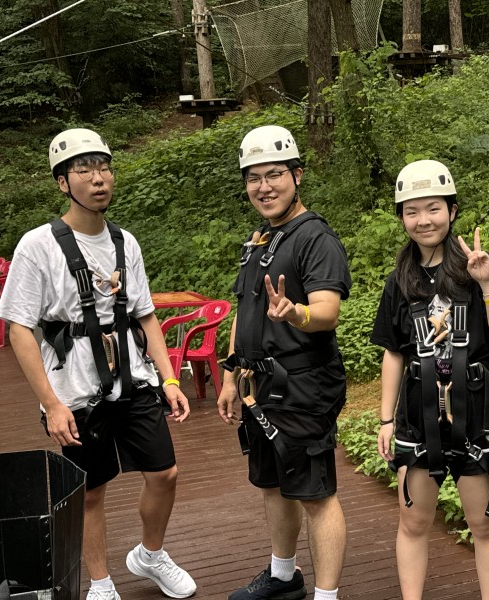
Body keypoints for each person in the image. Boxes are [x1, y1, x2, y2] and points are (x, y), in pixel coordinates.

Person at [0, 128, 197, 599]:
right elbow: (18, 328)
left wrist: (169, 377)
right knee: (91, 490)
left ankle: (149, 555)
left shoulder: (125, 243)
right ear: (63, 182)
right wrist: (50, 404)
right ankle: (101, 583)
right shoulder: (38, 245)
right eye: (83, 170)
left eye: (103, 167)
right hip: (75, 388)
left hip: (134, 379)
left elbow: (145, 315)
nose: (98, 178)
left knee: (164, 472)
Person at [371, 159, 489, 600]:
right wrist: (384, 419)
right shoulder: (400, 280)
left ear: (452, 211)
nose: (423, 220)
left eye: (433, 208)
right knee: (413, 522)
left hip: (473, 409)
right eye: (412, 211)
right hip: (417, 412)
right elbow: (394, 352)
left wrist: (487, 283)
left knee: (485, 524)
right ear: (401, 218)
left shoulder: (478, 267)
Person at [217, 125, 351, 600]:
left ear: (297, 175)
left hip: (302, 381)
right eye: (253, 178)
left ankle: (327, 596)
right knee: (273, 483)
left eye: (274, 175)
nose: (264, 186)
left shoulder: (314, 238)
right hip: (260, 384)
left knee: (315, 493)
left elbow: (328, 311)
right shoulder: (259, 240)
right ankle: (282, 576)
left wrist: (296, 312)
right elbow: (244, 308)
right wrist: (232, 372)